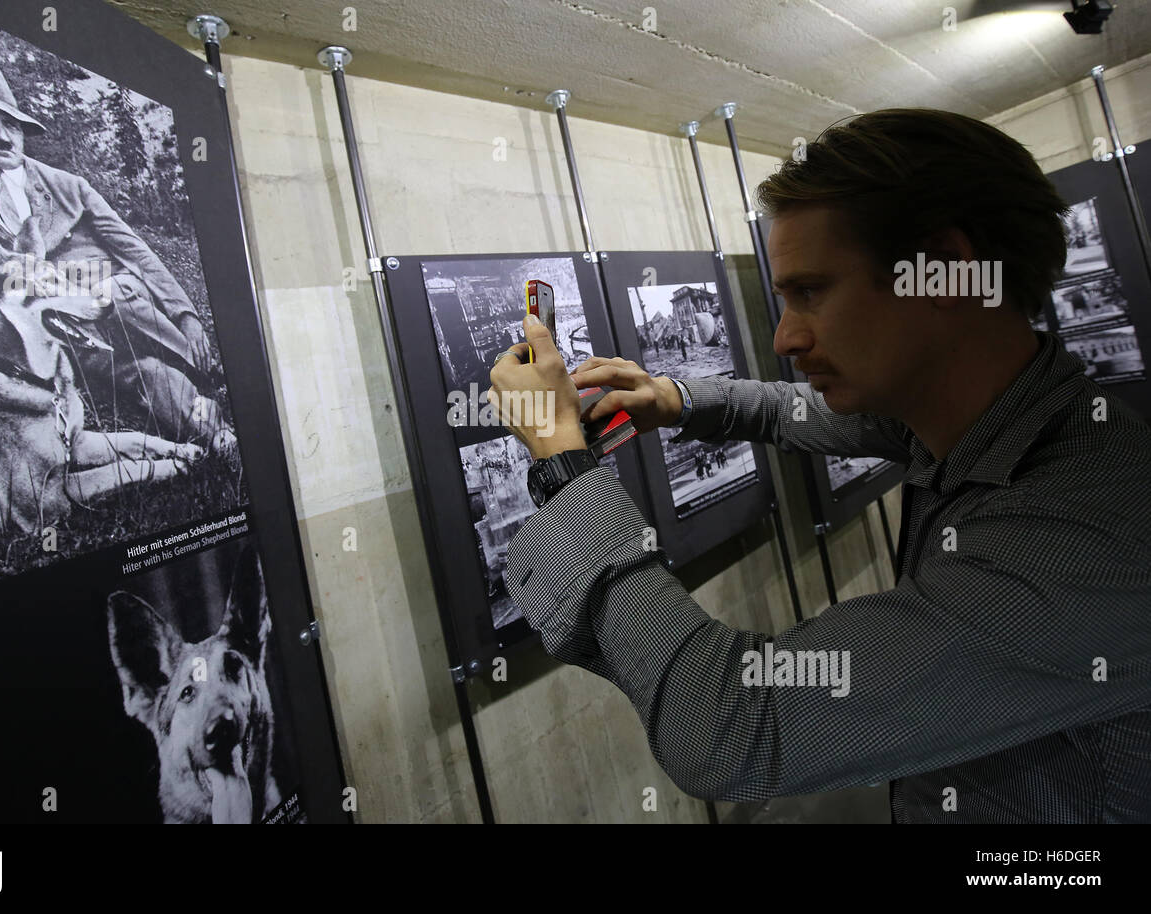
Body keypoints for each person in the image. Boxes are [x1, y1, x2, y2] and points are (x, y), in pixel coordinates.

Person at [488, 108, 1151, 823]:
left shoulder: (1086, 525)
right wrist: (672, 397)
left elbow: (731, 728)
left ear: (946, 272)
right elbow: (784, 411)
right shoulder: (975, 416)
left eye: (811, 292)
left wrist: (560, 455)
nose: (785, 337)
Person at [0, 51, 234, 452]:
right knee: (141, 375)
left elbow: (134, 249)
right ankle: (212, 430)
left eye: (11, 123)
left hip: (103, 293)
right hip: (42, 323)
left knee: (117, 296)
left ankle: (201, 369)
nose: (2, 136)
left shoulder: (68, 185)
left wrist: (186, 315)